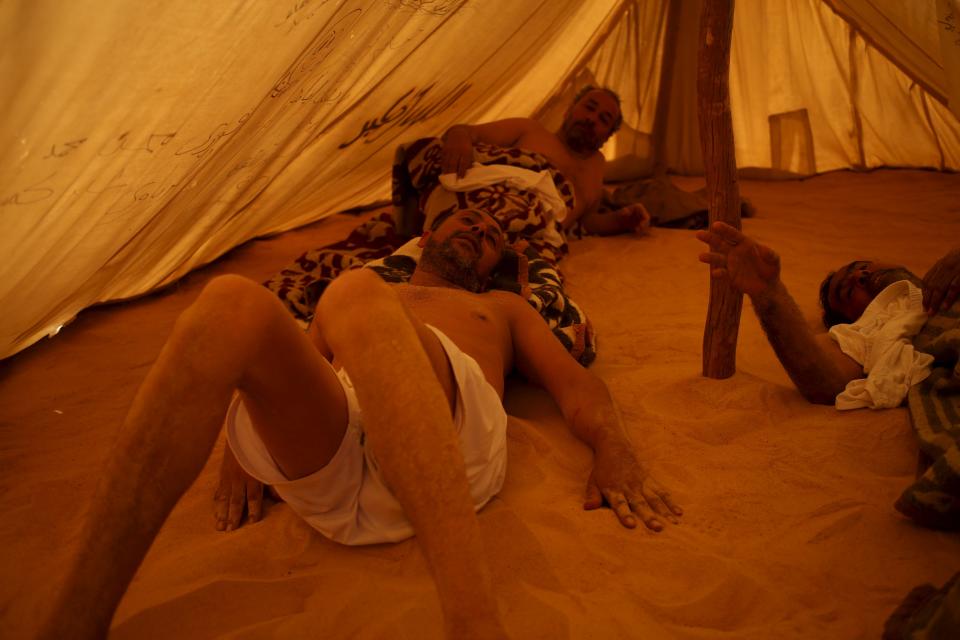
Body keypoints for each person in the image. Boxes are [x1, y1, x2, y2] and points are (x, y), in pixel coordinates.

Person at [39, 208, 682, 640]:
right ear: (425, 239)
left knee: (351, 293)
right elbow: (290, 374)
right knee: (230, 302)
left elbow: (578, 385)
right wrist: (240, 444)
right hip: (336, 466)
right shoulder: (371, 288)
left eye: (490, 234)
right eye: (464, 218)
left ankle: (474, 624)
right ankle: (72, 623)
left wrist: (613, 447)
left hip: (447, 461)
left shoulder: (504, 307)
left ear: (497, 263)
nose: (477, 230)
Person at [696, 221, 960, 405]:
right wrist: (768, 293)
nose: (861, 275)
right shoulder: (878, 331)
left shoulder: (946, 273)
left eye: (863, 266)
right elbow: (824, 382)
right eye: (848, 292)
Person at [440, 85, 650, 236]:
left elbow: (585, 221)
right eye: (589, 107)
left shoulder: (596, 166)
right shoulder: (529, 130)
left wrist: (621, 220)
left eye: (604, 119)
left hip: (532, 243)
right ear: (569, 110)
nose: (592, 118)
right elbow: (465, 132)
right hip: (484, 222)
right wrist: (459, 139)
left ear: (607, 137)